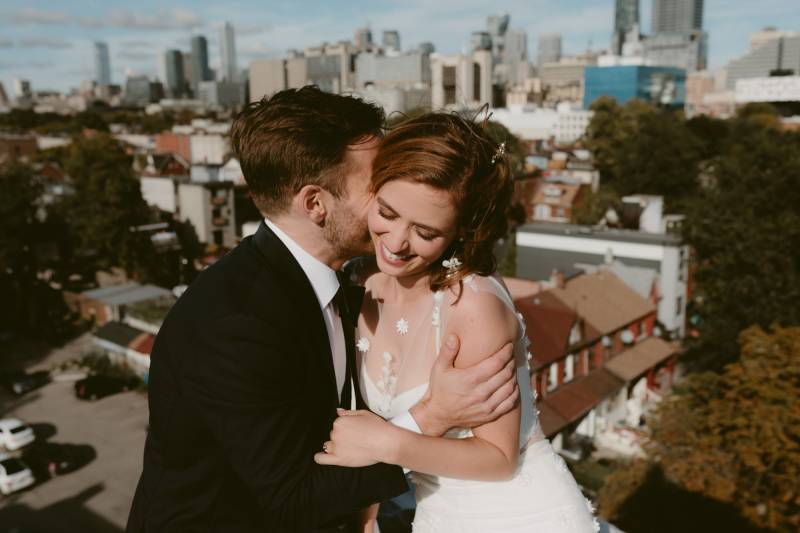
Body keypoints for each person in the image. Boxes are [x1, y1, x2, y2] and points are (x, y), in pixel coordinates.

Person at [125, 87, 519, 533]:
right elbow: (292, 499)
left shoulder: (345, 281)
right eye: (376, 182)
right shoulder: (236, 323)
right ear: (316, 204)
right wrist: (432, 416)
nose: (393, 190)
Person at [315, 112, 599, 532]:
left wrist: (387, 442)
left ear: (460, 232)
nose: (395, 243)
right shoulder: (362, 280)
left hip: (519, 516)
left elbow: (500, 460)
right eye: (387, 213)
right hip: (435, 515)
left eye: (426, 232)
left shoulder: (472, 306)